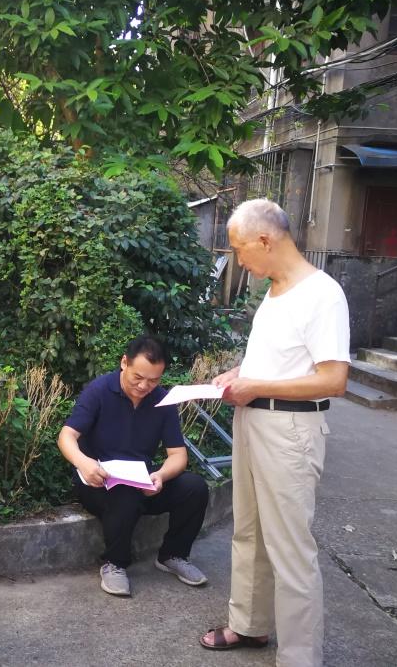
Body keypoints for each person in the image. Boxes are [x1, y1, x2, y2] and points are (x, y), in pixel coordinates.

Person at [198, 199, 350, 666]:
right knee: (248, 532)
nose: (238, 260)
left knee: (290, 548)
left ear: (265, 240)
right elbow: (281, 359)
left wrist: (257, 385)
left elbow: (333, 379)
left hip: (289, 429)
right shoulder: (275, 290)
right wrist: (238, 374)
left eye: (240, 249)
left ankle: (300, 656)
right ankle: (249, 624)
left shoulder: (322, 294)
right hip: (253, 420)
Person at [57, 335, 210, 597]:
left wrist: (160, 476)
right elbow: (66, 436)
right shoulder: (99, 391)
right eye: (138, 377)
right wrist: (84, 463)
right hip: (98, 481)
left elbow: (178, 455)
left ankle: (173, 555)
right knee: (124, 494)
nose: (144, 386)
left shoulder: (162, 401)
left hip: (142, 481)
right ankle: (114, 563)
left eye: (153, 380)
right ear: (124, 363)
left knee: (194, 487)